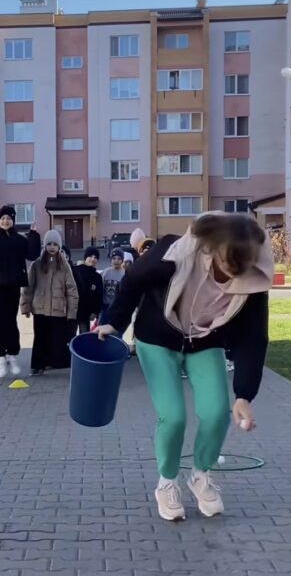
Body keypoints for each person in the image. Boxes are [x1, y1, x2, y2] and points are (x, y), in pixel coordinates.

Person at [97, 212, 273, 522]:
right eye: (226, 263)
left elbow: (253, 338)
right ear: (213, 248)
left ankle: (201, 475)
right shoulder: (174, 253)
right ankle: (167, 482)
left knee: (217, 413)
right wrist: (115, 322)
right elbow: (134, 278)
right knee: (174, 416)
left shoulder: (253, 280)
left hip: (205, 341)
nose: (232, 273)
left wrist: (244, 394)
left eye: (240, 266)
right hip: (157, 338)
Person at [0, 205, 40, 378]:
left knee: (11, 321)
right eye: (2, 218)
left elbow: (32, 254)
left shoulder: (19, 240)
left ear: (13, 220)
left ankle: (12, 355)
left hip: (13, 285)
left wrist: (34, 235)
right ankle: (0, 356)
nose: (5, 221)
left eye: (8, 218)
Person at [21, 230, 79, 374]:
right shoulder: (36, 265)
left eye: (55, 244)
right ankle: (38, 365)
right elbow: (28, 287)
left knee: (57, 338)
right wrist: (25, 306)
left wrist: (71, 312)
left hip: (58, 309)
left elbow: (72, 290)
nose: (52, 247)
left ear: (59, 246)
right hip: (40, 308)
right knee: (40, 338)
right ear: (44, 245)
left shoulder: (64, 266)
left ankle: (54, 363)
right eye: (49, 244)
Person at [72, 246, 104, 334]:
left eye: (95, 257)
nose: (93, 259)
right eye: (90, 256)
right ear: (85, 257)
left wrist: (95, 312)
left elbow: (99, 295)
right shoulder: (75, 270)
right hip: (73, 311)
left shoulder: (97, 277)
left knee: (84, 335)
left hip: (86, 314)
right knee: (70, 335)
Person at [100, 248, 125, 324]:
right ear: (111, 260)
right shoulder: (105, 273)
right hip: (105, 307)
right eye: (114, 258)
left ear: (122, 260)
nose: (116, 261)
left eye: (119, 259)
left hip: (117, 307)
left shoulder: (124, 275)